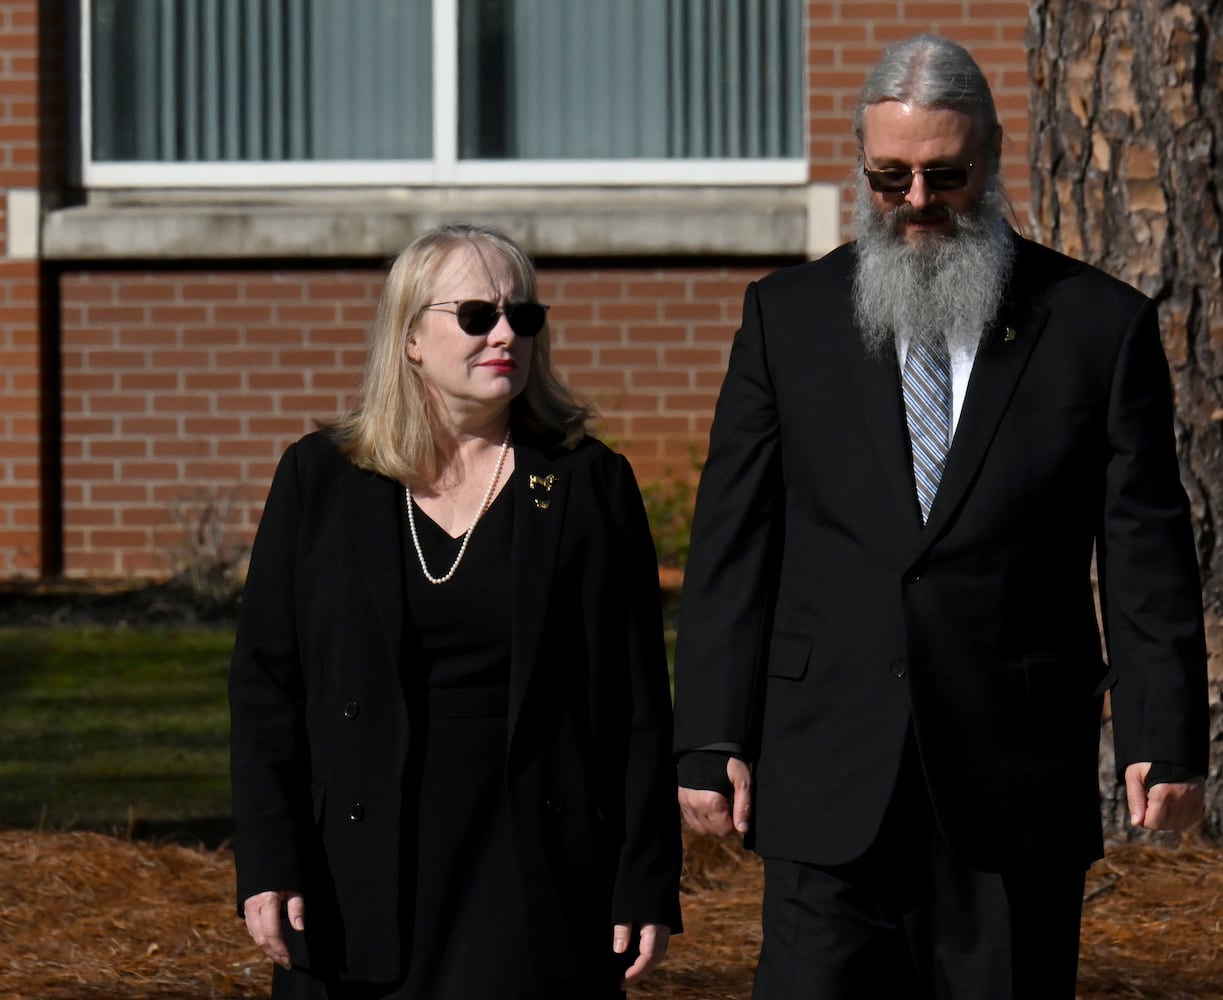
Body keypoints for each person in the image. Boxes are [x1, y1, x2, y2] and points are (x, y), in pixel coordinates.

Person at [672, 33, 1209, 1000]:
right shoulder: (784, 318)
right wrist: (711, 735)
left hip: (1010, 778)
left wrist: (1160, 734)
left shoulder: (1096, 328)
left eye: (944, 176)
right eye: (888, 179)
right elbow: (732, 545)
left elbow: (1143, 548)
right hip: (824, 768)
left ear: (991, 162)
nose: (916, 203)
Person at [229, 222, 681, 999]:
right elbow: (268, 686)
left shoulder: (586, 484)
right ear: (410, 337)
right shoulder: (321, 481)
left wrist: (645, 875)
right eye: (475, 316)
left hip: (532, 867)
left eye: (522, 317)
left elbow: (636, 701)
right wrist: (269, 860)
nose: (504, 333)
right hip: (357, 872)